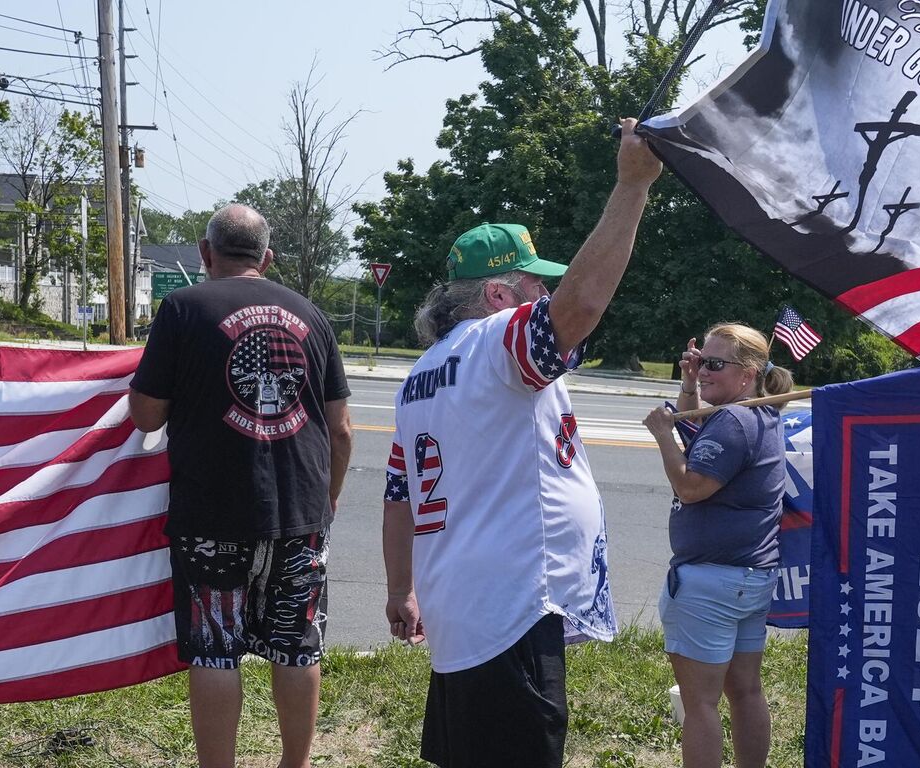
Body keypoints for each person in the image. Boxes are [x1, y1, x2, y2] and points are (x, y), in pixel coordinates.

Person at [381, 117, 661, 768]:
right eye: (537, 284)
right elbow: (583, 304)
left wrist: (401, 590)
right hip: (507, 612)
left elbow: (398, 497)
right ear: (500, 293)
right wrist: (632, 187)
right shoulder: (500, 342)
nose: (548, 295)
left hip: (465, 612)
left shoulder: (423, 372)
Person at [128, 204, 352, 768]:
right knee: (298, 647)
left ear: (206, 253)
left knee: (215, 653)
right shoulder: (311, 314)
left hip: (212, 514)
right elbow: (342, 429)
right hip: (299, 511)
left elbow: (146, 416)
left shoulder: (181, 308)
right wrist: (326, 501)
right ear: (267, 258)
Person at [639, 324, 794, 768]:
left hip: (710, 584)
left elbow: (691, 485)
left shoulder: (733, 420)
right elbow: (696, 433)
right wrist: (689, 385)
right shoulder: (758, 415)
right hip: (750, 577)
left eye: (714, 364)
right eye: (699, 359)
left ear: (747, 374)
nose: (703, 369)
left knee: (700, 704)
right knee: (746, 690)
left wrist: (663, 436)